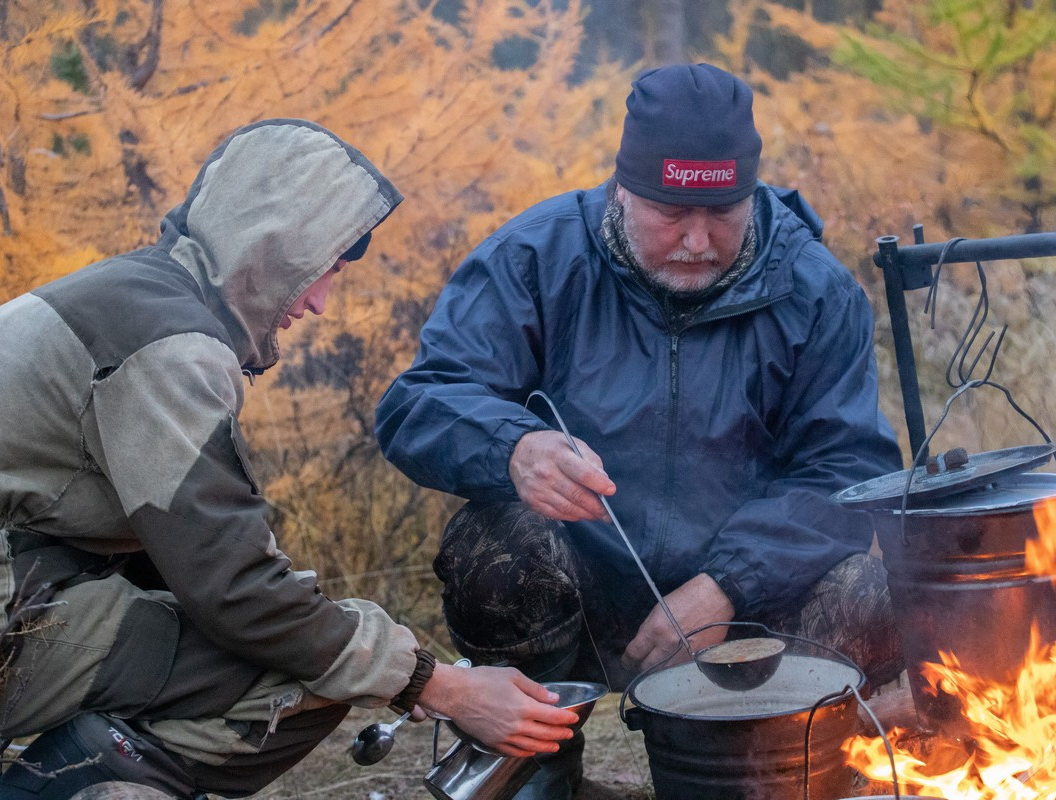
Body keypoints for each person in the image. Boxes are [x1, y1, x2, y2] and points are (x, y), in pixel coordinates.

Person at [0, 119, 578, 799]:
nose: (321, 302)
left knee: (321, 647)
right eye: (321, 270)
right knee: (302, 676)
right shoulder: (169, 348)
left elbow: (189, 561)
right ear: (269, 245)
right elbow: (235, 591)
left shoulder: (138, 297)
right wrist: (436, 684)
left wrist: (395, 664)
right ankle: (61, 789)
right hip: (8, 604)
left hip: (21, 572)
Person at [376, 64, 906, 798]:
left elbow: (847, 471)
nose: (697, 239)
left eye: (722, 212)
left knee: (882, 588)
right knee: (495, 547)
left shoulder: (815, 292)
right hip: (586, 588)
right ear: (623, 187)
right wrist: (513, 449)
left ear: (751, 193)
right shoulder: (535, 259)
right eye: (669, 212)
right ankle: (540, 775)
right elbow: (417, 404)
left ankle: (782, 772)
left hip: (748, 605)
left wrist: (726, 585)